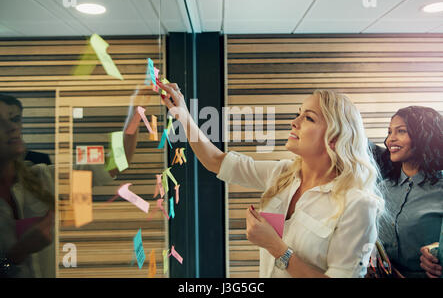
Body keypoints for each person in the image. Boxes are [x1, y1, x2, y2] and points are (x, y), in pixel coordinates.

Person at [159, 82, 384, 278]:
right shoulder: (282, 174)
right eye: (298, 113)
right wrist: (183, 115)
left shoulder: (358, 204)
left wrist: (276, 248)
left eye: (308, 118)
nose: (294, 122)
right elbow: (215, 161)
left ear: (334, 138)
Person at [0, 89, 145, 277]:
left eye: (14, 119)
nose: (12, 127)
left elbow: (118, 161)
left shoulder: (43, 178)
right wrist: (17, 254)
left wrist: (135, 110)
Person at [375, 106, 443, 278]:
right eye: (389, 132)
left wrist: (439, 249)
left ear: (424, 136)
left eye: (401, 131)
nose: (391, 139)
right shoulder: (381, 189)